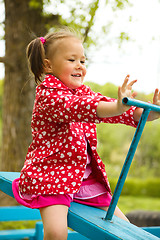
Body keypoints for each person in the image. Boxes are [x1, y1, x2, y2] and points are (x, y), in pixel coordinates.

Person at [12, 28, 160, 240]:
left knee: (127, 231)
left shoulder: (83, 91)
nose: (80, 66)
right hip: (51, 175)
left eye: (83, 60)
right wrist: (117, 107)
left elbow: (111, 108)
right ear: (48, 65)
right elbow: (84, 107)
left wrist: (149, 111)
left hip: (84, 180)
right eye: (72, 60)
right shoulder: (48, 95)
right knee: (56, 232)